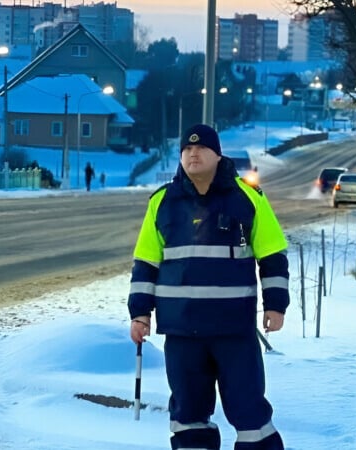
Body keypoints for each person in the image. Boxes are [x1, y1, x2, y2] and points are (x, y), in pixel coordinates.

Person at [128, 124, 289, 450]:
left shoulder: (247, 198)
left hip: (233, 330)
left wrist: (276, 305)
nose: (193, 154)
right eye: (187, 149)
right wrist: (140, 314)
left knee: (249, 411)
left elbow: (272, 255)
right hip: (183, 333)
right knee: (188, 414)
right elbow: (145, 264)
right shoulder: (162, 202)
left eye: (201, 149)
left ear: (218, 155)